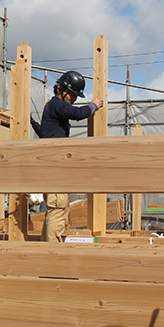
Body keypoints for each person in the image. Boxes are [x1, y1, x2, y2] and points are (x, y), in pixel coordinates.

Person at [39, 70, 104, 242]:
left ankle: (46, 248)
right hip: (54, 166)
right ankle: (52, 250)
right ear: (61, 89)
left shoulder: (54, 108)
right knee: (58, 208)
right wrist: (93, 105)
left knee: (59, 208)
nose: (73, 99)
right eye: (72, 95)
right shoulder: (55, 105)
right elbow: (77, 114)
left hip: (54, 165)